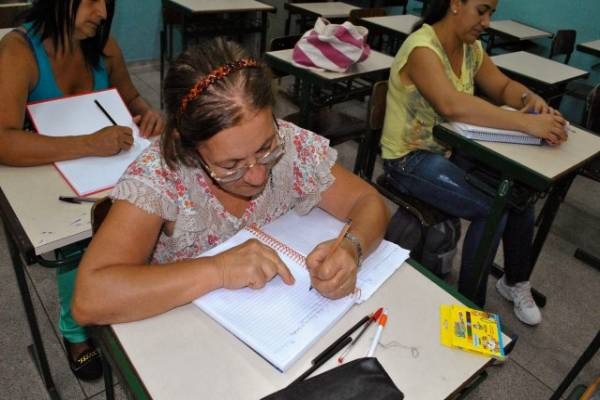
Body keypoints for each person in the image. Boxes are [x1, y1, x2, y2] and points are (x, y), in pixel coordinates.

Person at [71, 38, 389, 327]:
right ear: (188, 147)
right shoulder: (161, 176)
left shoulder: (292, 145)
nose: (257, 175)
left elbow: (368, 202)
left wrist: (352, 247)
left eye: (266, 147)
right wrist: (218, 270)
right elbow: (89, 298)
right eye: (230, 165)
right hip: (185, 328)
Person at [0, 0, 165, 380]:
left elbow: (132, 101)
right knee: (77, 244)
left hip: (109, 170)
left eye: (106, 2)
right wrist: (89, 143)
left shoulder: (103, 47)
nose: (103, 13)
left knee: (137, 227)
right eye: (91, 0)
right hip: (53, 174)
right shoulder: (18, 51)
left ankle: (123, 301)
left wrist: (148, 115)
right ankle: (74, 329)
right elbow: (4, 141)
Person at [380, 0, 569, 325]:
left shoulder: (471, 49)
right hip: (408, 159)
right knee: (491, 209)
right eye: (482, 10)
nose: (487, 20)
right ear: (455, 4)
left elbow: (504, 87)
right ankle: (471, 312)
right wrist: (526, 124)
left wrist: (529, 101)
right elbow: (451, 104)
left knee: (520, 188)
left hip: (454, 151)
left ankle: (514, 281)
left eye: (491, 13)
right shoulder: (422, 48)